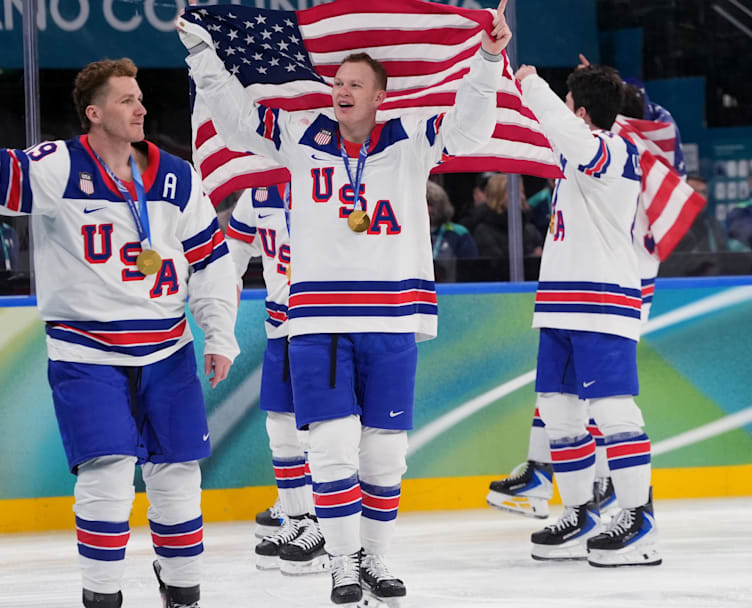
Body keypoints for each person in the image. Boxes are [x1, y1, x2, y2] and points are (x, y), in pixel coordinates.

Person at [180, 1, 512, 603]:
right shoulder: (301, 136)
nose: (341, 90)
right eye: (337, 82)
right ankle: (341, 562)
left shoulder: (412, 139)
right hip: (318, 319)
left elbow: (472, 127)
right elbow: (235, 121)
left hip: (392, 319)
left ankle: (376, 560)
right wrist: (203, 54)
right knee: (330, 449)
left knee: (384, 458)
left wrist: (488, 59)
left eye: (355, 83)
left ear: (380, 95)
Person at [0, 57, 239, 608]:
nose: (140, 107)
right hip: (87, 350)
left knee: (179, 475)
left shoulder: (177, 176)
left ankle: (183, 591)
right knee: (108, 476)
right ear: (93, 113)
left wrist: (219, 334)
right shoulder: (57, 166)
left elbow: (211, 261)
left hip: (168, 348)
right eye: (125, 100)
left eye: (140, 98)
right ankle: (103, 598)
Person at [515, 63, 660, 567]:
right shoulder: (572, 151)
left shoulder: (614, 150)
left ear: (579, 111)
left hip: (602, 299)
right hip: (559, 300)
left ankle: (639, 517)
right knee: (557, 408)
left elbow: (563, 131)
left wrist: (530, 83)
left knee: (613, 410)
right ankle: (581, 512)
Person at [225, 183, 329, 575]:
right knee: (281, 429)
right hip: (279, 326)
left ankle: (325, 525)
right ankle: (298, 519)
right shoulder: (257, 193)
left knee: (322, 429)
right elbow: (230, 261)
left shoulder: (330, 181)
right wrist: (220, 321)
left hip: (325, 324)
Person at [472, 173, 544, 260]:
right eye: (517, 192)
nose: (522, 197)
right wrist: (532, 258)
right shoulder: (483, 231)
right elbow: (496, 266)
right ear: (498, 196)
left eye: (522, 192)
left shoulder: (529, 229)